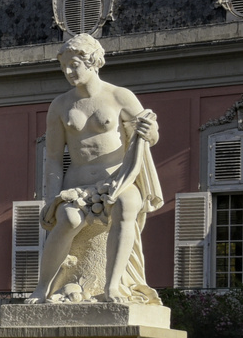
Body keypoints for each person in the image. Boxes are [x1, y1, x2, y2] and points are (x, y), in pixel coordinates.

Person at [27, 34, 163, 304]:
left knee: (125, 207)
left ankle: (113, 287)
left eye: (74, 65)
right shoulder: (61, 105)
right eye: (63, 66)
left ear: (92, 63)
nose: (68, 72)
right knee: (68, 219)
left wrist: (152, 130)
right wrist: (50, 199)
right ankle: (42, 288)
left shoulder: (119, 96)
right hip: (76, 184)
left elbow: (148, 135)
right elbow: (53, 157)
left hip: (118, 181)